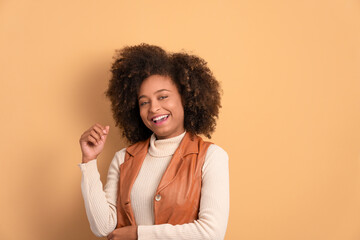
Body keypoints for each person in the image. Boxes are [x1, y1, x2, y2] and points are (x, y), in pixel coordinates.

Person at [79, 44, 229, 240]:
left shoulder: (211, 157)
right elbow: (103, 227)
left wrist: (138, 234)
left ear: (185, 98)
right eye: (144, 102)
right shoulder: (123, 158)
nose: (153, 108)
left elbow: (211, 233)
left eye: (163, 97)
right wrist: (89, 161)